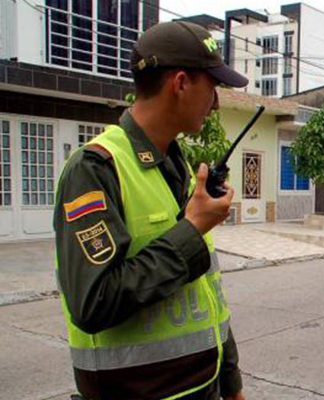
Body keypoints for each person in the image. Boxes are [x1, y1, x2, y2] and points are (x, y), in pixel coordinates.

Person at [53, 21, 249, 400]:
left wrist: (231, 381)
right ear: (180, 84)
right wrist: (192, 230)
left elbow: (207, 293)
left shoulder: (177, 167)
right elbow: (94, 301)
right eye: (212, 88)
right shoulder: (95, 169)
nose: (217, 103)